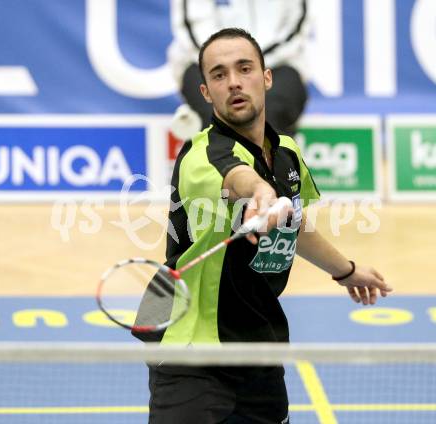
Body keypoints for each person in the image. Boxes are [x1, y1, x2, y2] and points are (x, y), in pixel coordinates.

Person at [135, 28, 392, 424]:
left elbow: (296, 226)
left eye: (244, 68)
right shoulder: (201, 154)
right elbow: (237, 178)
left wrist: (347, 271)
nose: (234, 81)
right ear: (206, 93)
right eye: (219, 75)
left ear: (266, 78)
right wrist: (260, 194)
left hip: (259, 345)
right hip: (193, 349)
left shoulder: (287, 154)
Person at [168, 0, 310, 138]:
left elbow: (296, 24)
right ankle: (222, 157)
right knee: (215, 118)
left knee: (269, 116)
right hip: (204, 62)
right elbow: (191, 28)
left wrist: (250, 62)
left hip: (279, 62)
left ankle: (271, 158)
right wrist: (230, 61)